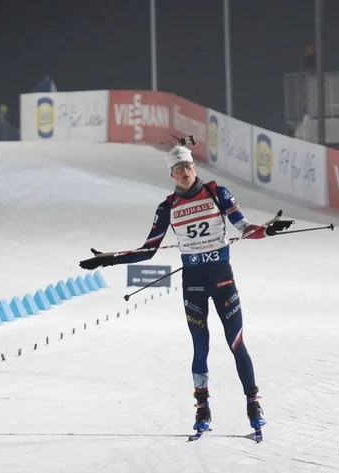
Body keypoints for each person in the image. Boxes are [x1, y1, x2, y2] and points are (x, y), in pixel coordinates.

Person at [79, 143, 293, 437]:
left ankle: (253, 404)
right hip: (193, 284)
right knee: (200, 347)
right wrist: (110, 259)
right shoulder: (167, 207)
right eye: (178, 168)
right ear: (172, 174)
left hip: (222, 280)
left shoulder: (218, 193)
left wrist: (268, 229)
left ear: (194, 166)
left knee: (236, 342)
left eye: (188, 166)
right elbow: (148, 251)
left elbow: (245, 228)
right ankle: (202, 409)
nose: (184, 171)